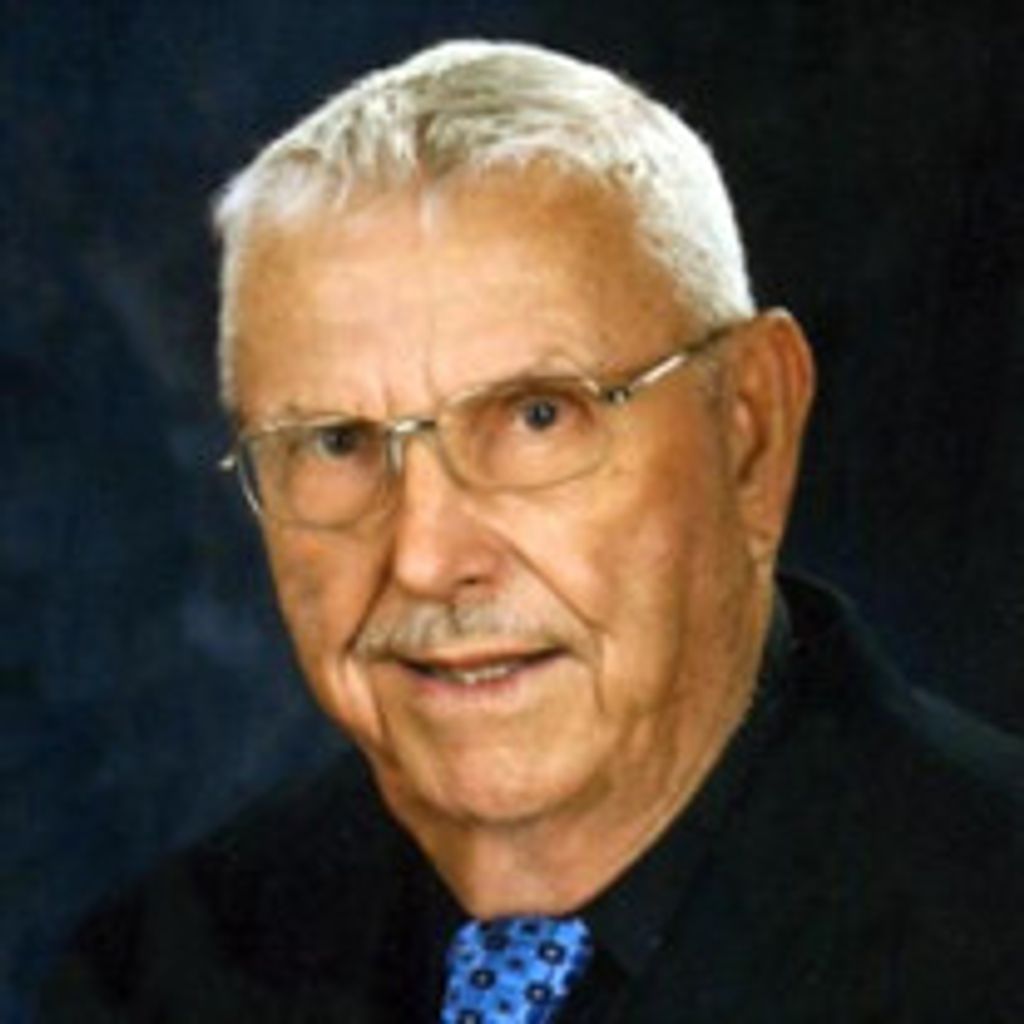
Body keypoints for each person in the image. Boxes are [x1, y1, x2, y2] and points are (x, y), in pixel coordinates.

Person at [39, 39, 1020, 1023]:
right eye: (337, 441)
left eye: (538, 417)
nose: (426, 559)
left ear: (749, 434)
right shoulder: (155, 979)